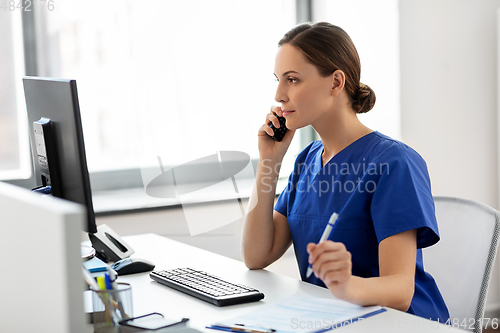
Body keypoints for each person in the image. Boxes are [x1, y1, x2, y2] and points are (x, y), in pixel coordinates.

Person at [242, 22, 449, 322]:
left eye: (292, 79)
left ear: (336, 82)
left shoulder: (394, 163)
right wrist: (268, 163)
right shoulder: (306, 161)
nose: (279, 94)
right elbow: (256, 255)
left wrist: (346, 285)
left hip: (401, 324)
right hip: (331, 320)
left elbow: (401, 291)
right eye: (278, 79)